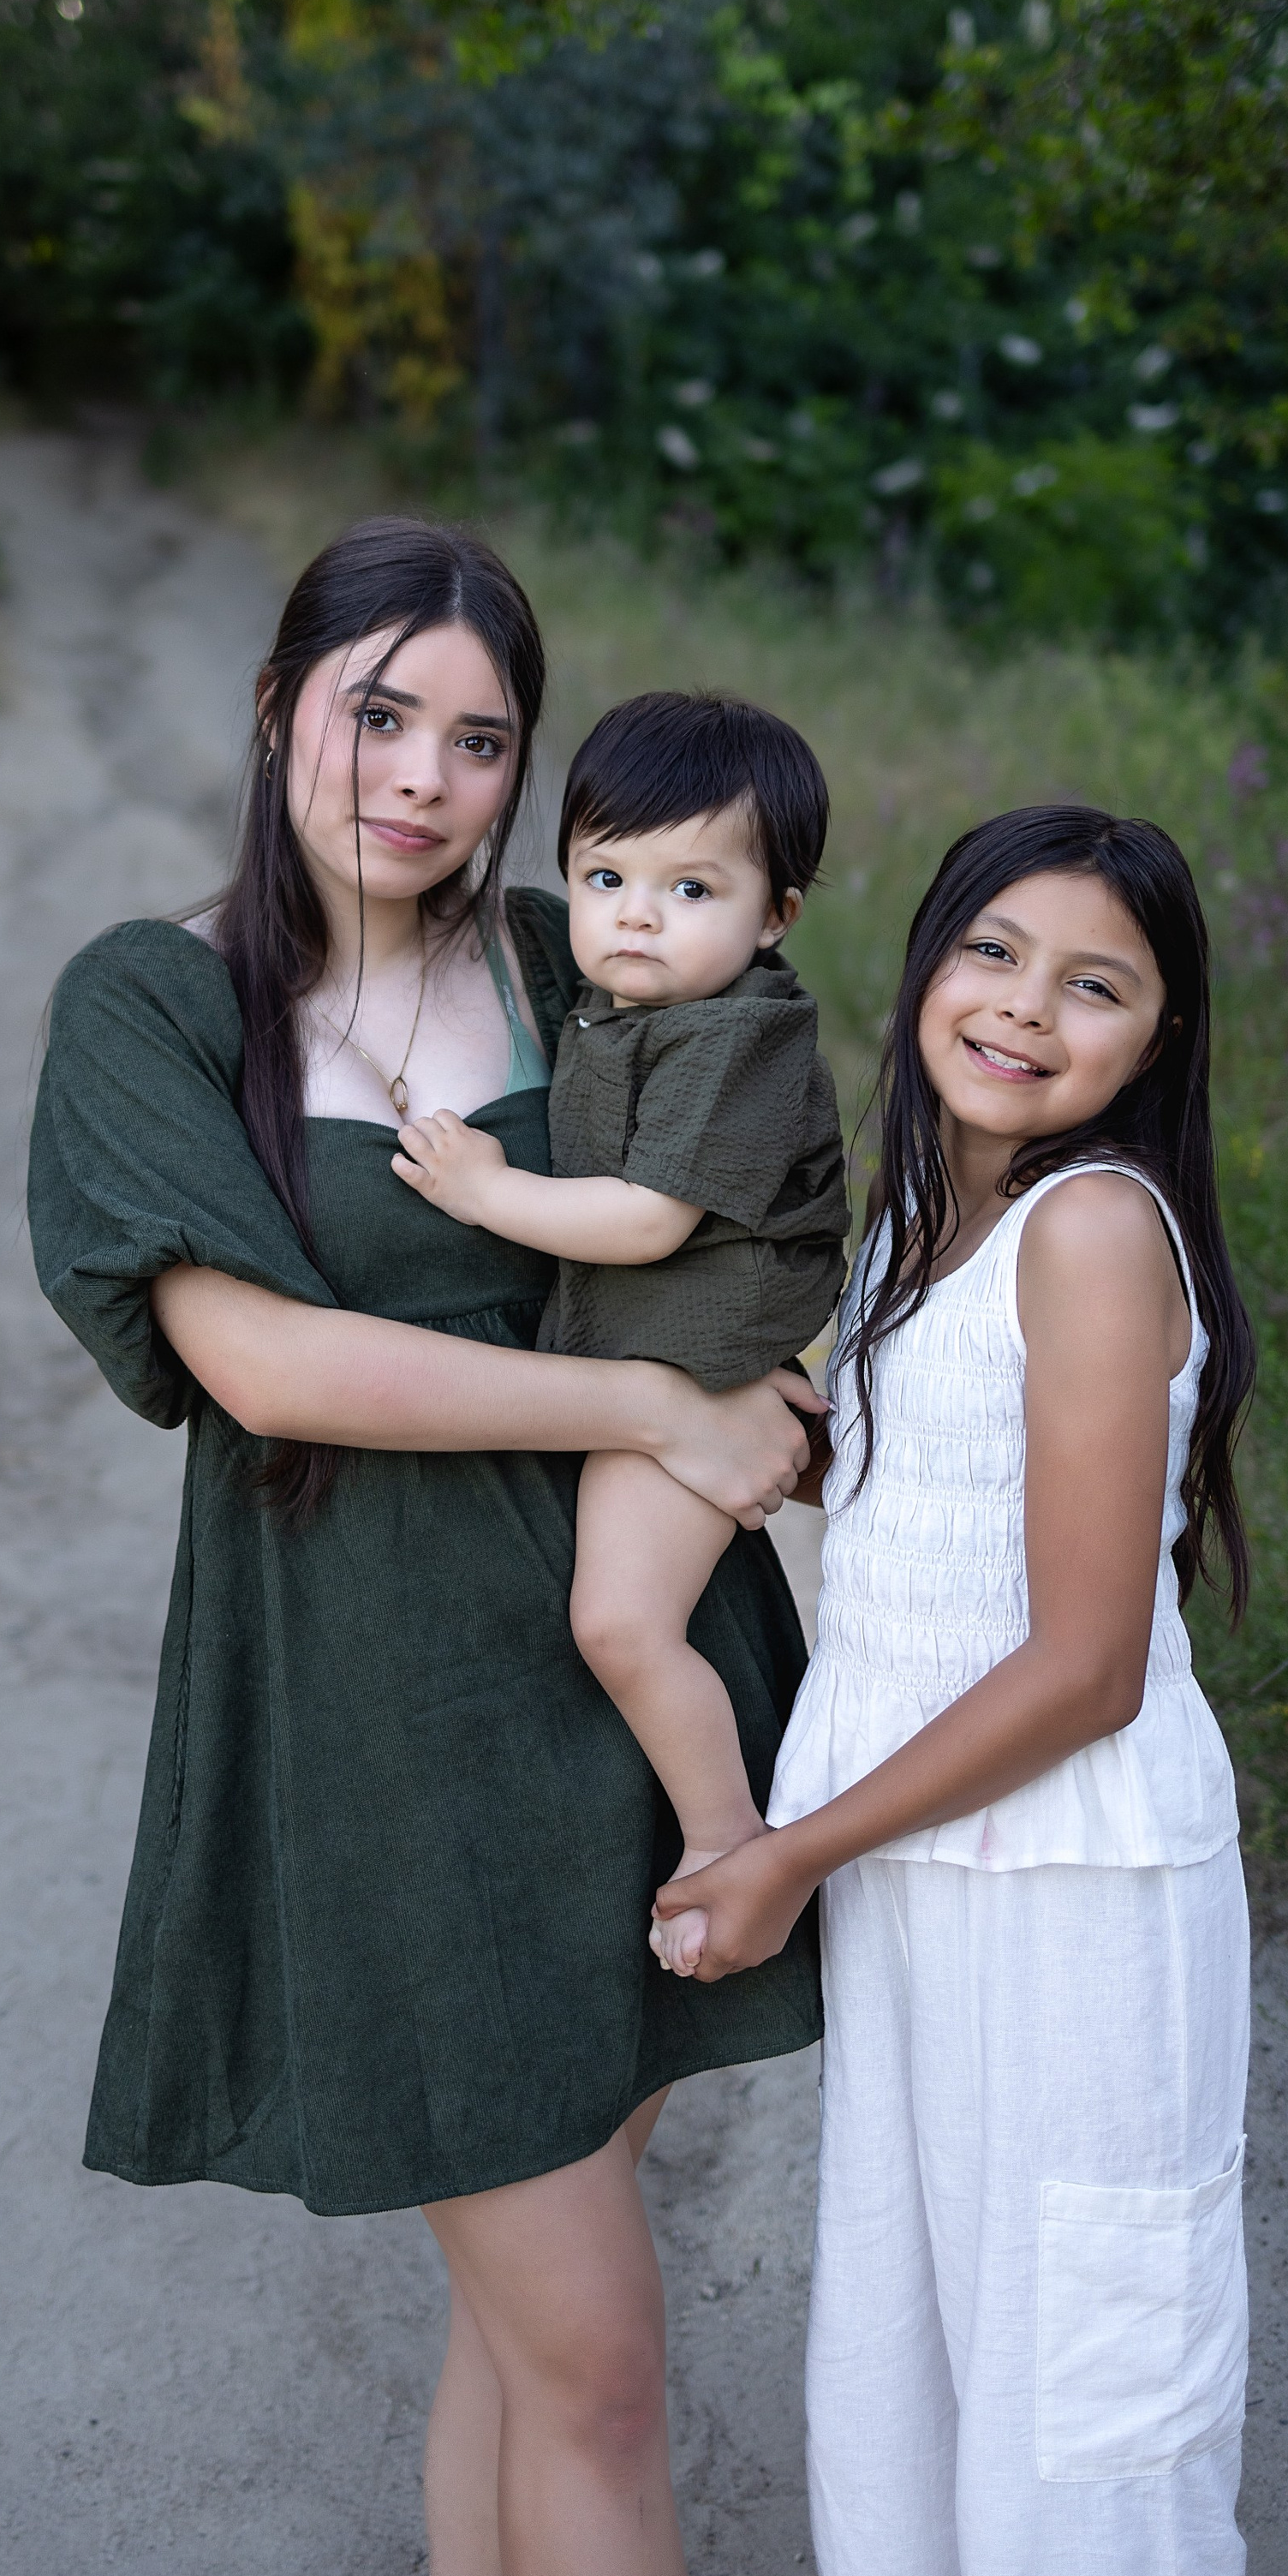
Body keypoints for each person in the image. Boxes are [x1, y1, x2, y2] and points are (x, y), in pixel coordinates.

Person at [27, 517, 826, 2576]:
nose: (423, 775)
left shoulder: (585, 958)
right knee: (602, 2370)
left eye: (480, 738)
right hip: (388, 1732)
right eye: (380, 714)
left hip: (638, 1696)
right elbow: (263, 1361)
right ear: (284, 704)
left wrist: (789, 1383)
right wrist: (649, 1408)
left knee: (530, 2314)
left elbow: (775, 1194)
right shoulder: (156, 998)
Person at [658, 804, 1261, 2576]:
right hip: (930, 1883)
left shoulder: (1089, 1228)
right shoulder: (937, 1222)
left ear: (1152, 1038)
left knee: (1077, 2426)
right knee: (900, 2373)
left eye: (1094, 983)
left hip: (1070, 1902)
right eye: (990, 950)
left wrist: (785, 1846)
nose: (1021, 1006)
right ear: (924, 959)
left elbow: (1084, 1661)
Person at [391, 691, 848, 1978]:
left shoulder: (738, 1032)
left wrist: (488, 1192)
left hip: (695, 1354)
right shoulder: (619, 1005)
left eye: (691, 887)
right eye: (605, 874)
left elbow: (649, 1219)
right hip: (651, 1350)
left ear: (774, 918)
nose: (637, 913)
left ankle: (724, 1843)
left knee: (622, 1625)